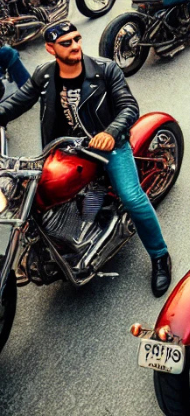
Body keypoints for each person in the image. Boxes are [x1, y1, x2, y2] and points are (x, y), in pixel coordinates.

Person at [0, 21, 172, 295]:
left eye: (76, 39)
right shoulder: (44, 75)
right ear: (50, 48)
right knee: (31, 192)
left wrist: (111, 132)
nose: (75, 46)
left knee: (132, 197)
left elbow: (129, 107)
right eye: (66, 43)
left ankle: (160, 256)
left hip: (109, 146)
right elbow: (17, 102)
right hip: (65, 149)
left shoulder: (105, 70)